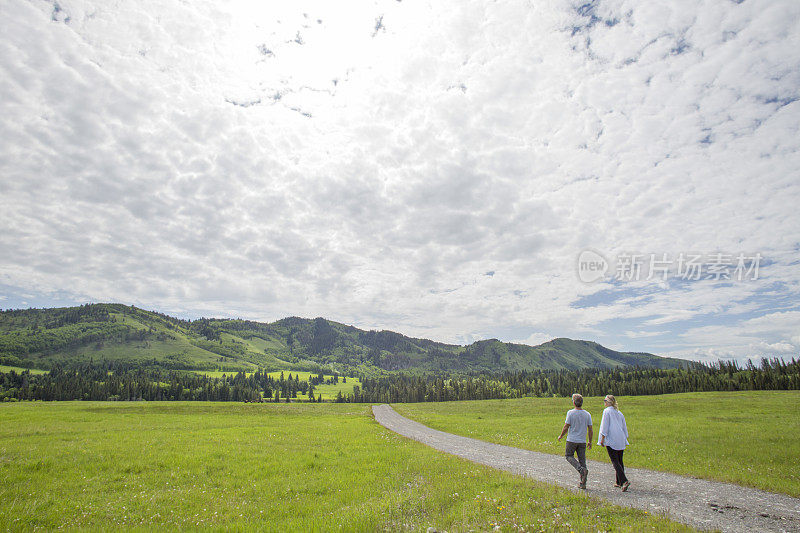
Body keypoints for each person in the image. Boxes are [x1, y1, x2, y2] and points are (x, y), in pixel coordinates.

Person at [557, 393, 592, 489]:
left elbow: (566, 426)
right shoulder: (587, 414)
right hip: (582, 441)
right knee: (582, 460)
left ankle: (581, 470)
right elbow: (590, 429)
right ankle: (583, 483)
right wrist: (590, 441)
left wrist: (561, 436)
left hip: (572, 440)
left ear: (574, 403)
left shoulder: (570, 413)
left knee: (568, 456)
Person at [597, 394, 630, 491]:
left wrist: (602, 439)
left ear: (608, 402)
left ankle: (624, 480)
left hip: (612, 439)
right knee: (620, 460)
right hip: (621, 438)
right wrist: (625, 437)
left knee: (614, 461)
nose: (604, 403)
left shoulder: (607, 411)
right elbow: (624, 427)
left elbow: (604, 426)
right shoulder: (619, 413)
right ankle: (618, 482)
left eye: (605, 401)